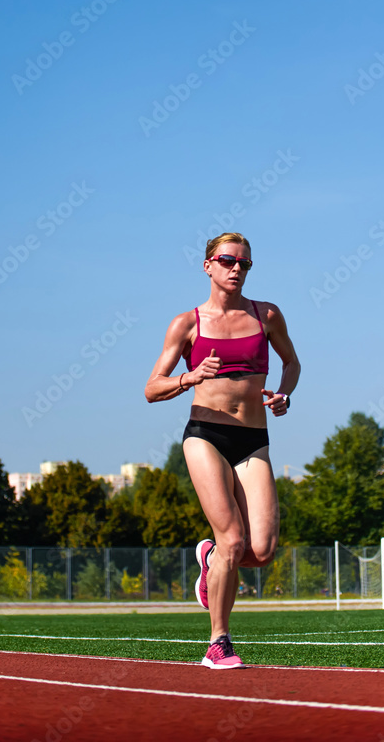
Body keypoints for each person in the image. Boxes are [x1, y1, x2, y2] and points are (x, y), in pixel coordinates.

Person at [144, 231, 300, 669]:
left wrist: (285, 395)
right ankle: (218, 642)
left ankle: (209, 558)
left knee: (262, 550)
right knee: (232, 538)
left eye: (244, 264)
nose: (236, 269)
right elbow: (151, 389)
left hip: (254, 440)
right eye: (228, 261)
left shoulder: (267, 315)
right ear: (208, 265)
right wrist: (188, 379)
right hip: (206, 436)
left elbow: (292, 362)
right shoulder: (187, 324)